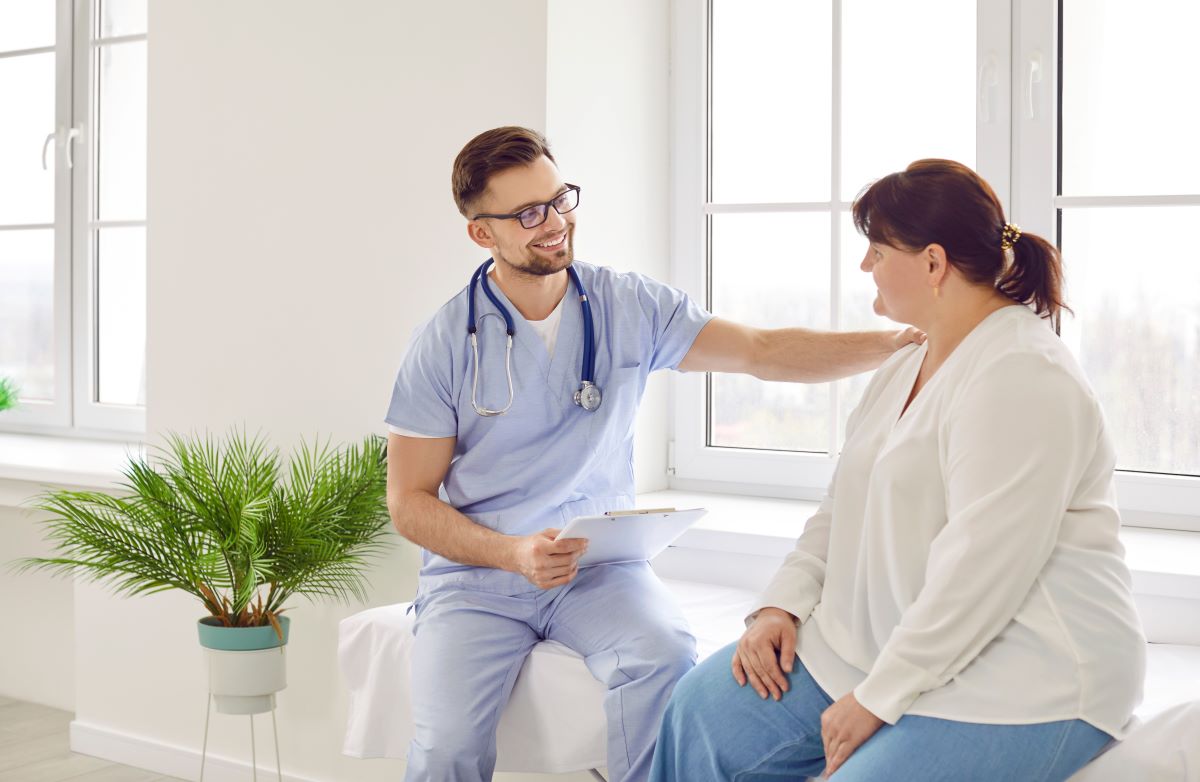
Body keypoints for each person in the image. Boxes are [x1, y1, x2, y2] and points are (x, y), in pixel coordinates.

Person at [384, 126, 922, 782]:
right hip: (478, 580)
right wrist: (512, 554)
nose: (555, 223)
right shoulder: (443, 343)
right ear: (482, 232)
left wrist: (894, 345)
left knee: (664, 655)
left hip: (597, 569)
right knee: (444, 749)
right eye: (528, 214)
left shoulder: (626, 305)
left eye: (560, 200)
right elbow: (409, 504)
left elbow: (760, 350)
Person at [650, 159, 1146, 782]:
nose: (866, 266)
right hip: (876, 648)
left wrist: (880, 697)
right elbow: (838, 511)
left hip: (1025, 677)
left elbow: (982, 570)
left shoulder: (1023, 375)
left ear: (933, 263)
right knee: (699, 711)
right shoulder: (905, 364)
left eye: (878, 250)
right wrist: (783, 606)